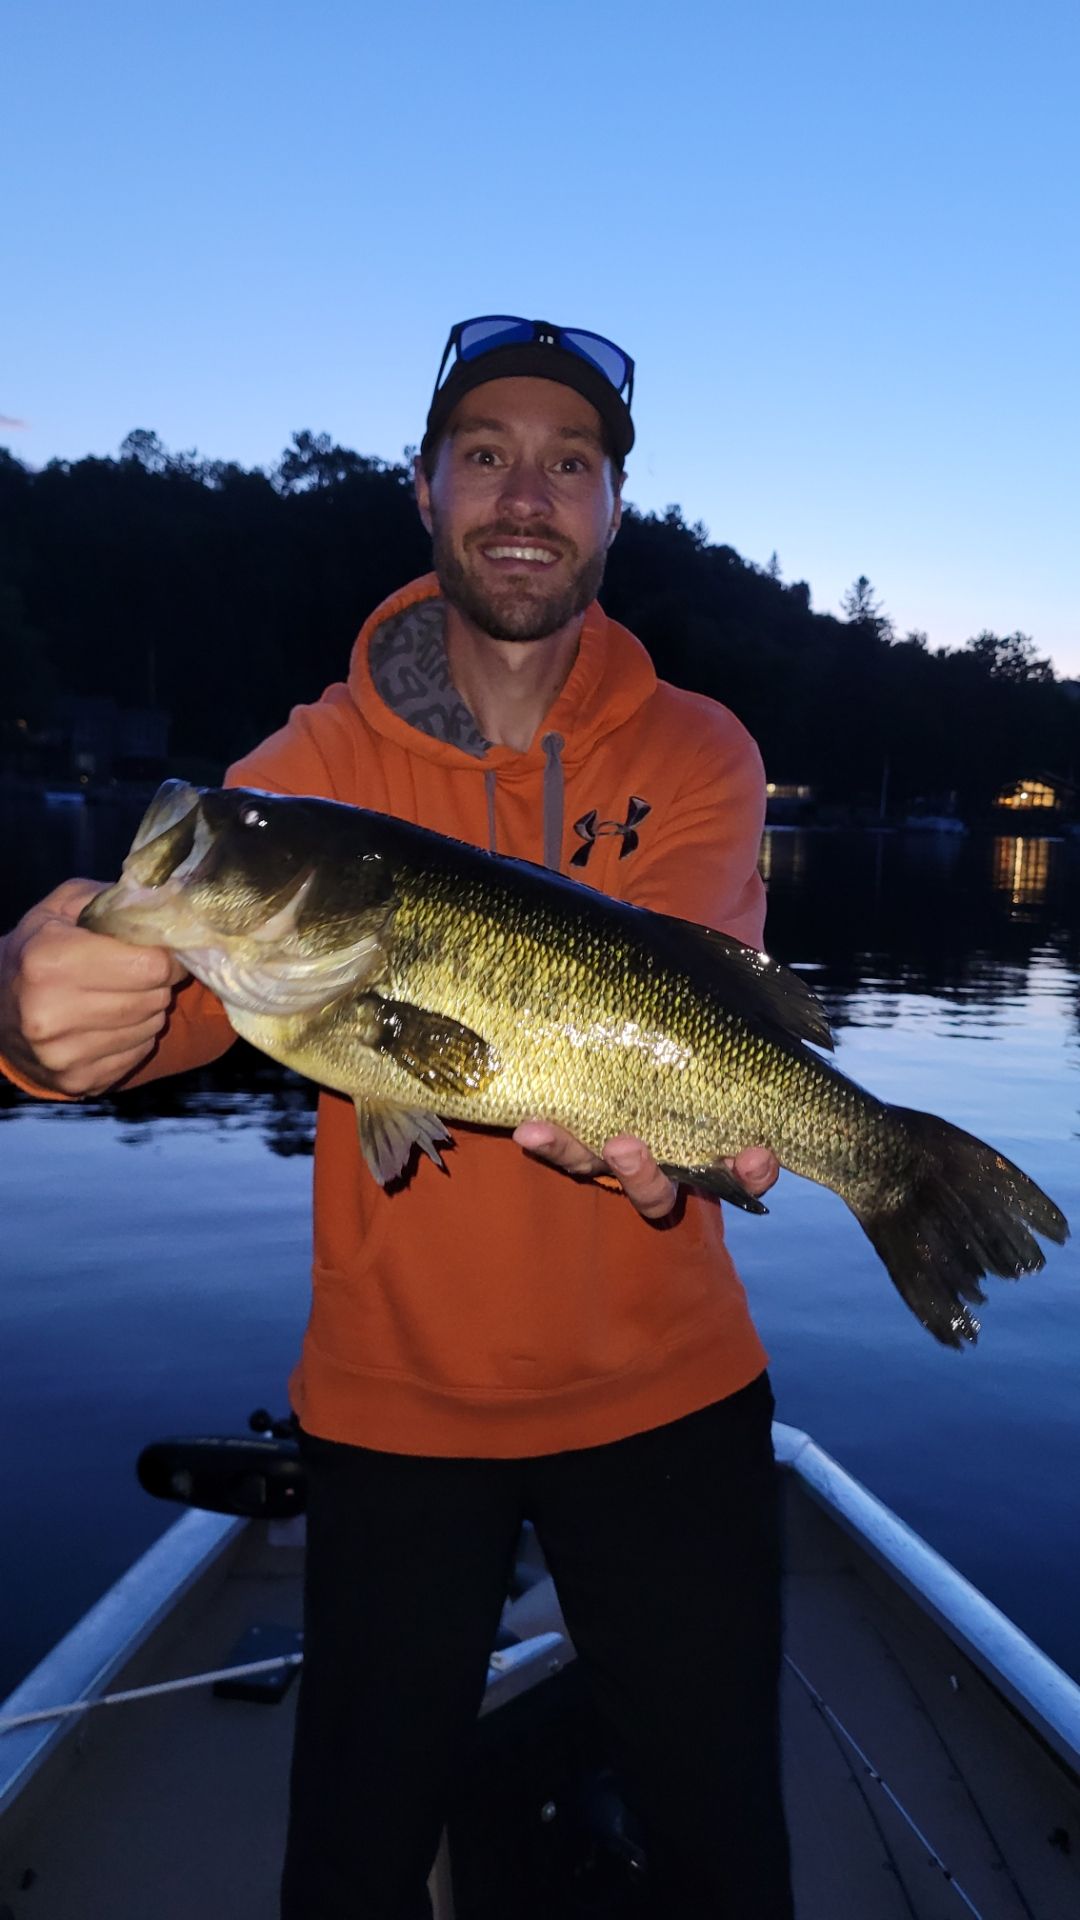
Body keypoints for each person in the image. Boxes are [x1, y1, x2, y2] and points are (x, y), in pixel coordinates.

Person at [0, 316, 795, 1918]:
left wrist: (677, 1126)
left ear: (612, 512)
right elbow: (184, 1000)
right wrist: (35, 1030)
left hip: (668, 1394)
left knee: (729, 1855)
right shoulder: (299, 773)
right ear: (424, 490)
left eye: (570, 463)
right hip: (392, 1410)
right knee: (348, 1869)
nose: (526, 492)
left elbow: (686, 1002)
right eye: (486, 454)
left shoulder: (699, 746)